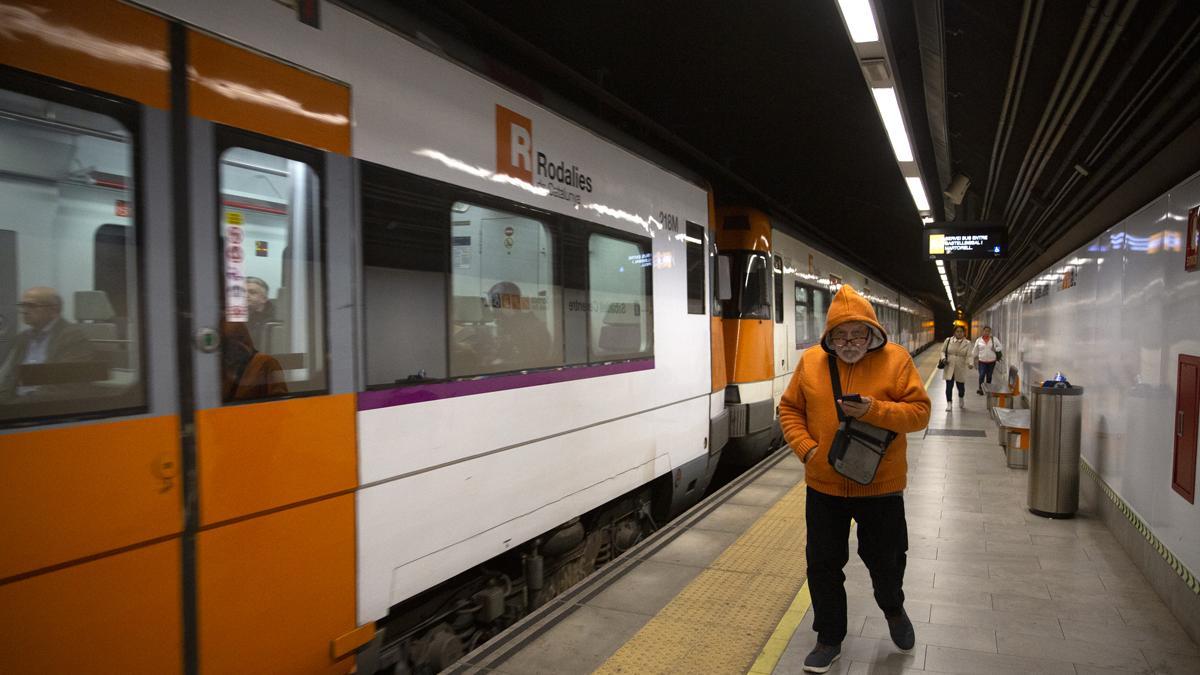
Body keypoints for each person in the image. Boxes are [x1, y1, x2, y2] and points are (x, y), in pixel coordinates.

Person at [779, 285, 931, 673]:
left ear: (872, 332)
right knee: (822, 563)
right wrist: (808, 450)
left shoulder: (896, 361)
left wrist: (874, 411)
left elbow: (919, 413)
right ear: (829, 336)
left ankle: (893, 609)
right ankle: (829, 638)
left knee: (885, 559)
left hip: (881, 487)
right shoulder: (811, 362)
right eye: (840, 336)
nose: (849, 343)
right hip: (824, 486)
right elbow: (789, 409)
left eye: (857, 334)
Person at [0, 287, 95, 401]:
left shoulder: (73, 338)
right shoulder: (22, 338)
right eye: (23, 305)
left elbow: (66, 386)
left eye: (31, 306)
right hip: (16, 405)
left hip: (46, 407)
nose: (24, 310)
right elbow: (10, 378)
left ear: (53, 310)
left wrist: (17, 405)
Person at [486, 281, 553, 370]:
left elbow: (535, 361)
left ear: (507, 304)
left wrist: (502, 363)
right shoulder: (511, 325)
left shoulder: (531, 327)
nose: (492, 310)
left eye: (494, 305)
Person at [221, 321, 287, 401]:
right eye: (224, 343)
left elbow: (280, 404)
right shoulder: (221, 369)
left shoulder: (266, 363)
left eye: (228, 342)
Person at [942, 325, 972, 411]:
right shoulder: (948, 341)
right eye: (957, 331)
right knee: (949, 386)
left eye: (961, 331)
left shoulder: (967, 343)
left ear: (964, 333)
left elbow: (969, 355)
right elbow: (942, 351)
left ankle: (961, 398)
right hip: (949, 366)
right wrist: (943, 358)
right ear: (954, 332)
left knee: (961, 387)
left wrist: (970, 363)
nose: (959, 333)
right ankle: (949, 404)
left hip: (960, 367)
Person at [245, 276, 278, 351]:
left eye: (252, 292)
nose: (246, 295)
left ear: (264, 299)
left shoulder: (275, 319)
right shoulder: (233, 317)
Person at [972, 325, 1003, 395]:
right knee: (982, 375)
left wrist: (995, 349)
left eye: (988, 331)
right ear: (983, 331)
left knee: (989, 376)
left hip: (991, 361)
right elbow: (975, 351)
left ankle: (988, 389)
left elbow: (1001, 346)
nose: (987, 332)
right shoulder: (979, 340)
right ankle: (981, 389)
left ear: (990, 332)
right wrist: (974, 360)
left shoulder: (994, 339)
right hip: (982, 361)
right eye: (985, 331)